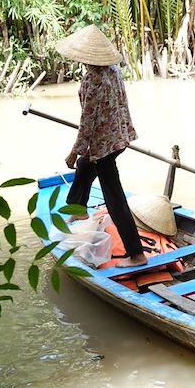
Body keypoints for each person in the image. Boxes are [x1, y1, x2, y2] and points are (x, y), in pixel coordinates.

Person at [55, 25, 147, 268]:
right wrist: (82, 154)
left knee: (114, 197)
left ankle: (136, 253)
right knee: (86, 164)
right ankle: (79, 207)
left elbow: (87, 123)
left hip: (104, 147)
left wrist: (73, 151)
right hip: (118, 138)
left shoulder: (92, 81)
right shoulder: (114, 71)